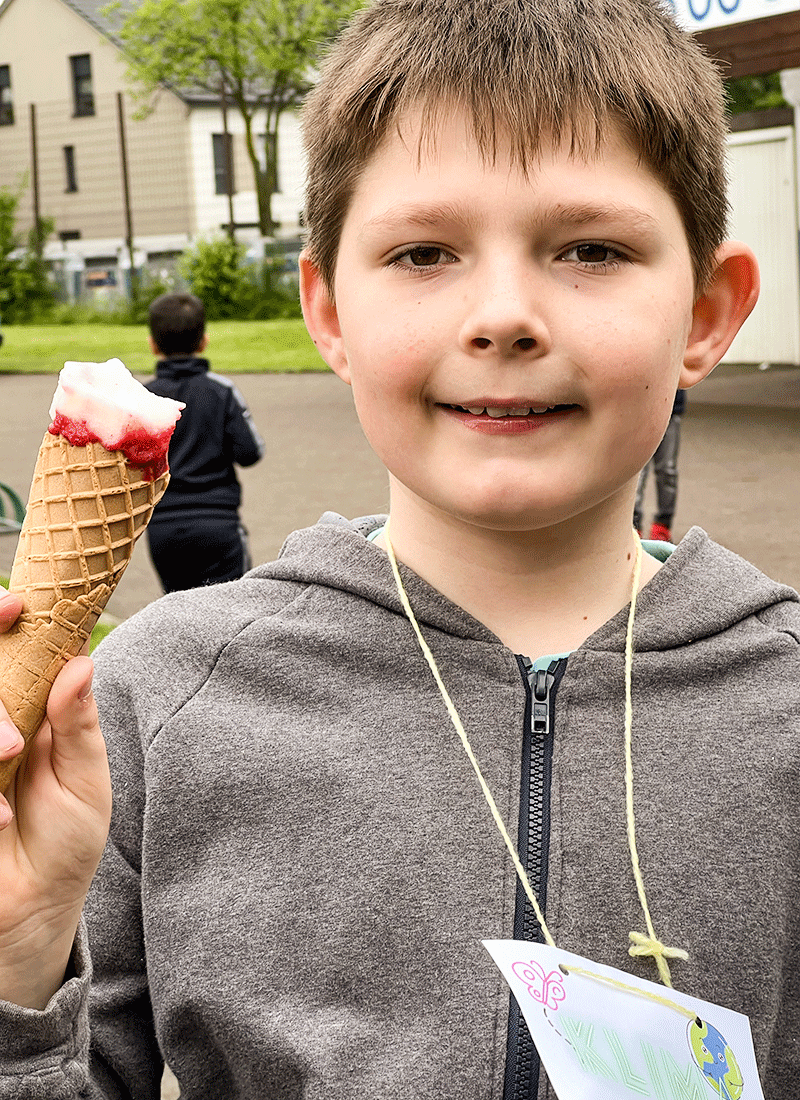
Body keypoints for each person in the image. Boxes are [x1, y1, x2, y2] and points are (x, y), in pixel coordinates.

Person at [0, 1, 796, 1098]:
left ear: (706, 311)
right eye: (423, 252)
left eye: (590, 249)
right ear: (328, 311)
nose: (503, 316)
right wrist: (18, 957)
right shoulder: (150, 702)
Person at [144, 292, 265, 592]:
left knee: (178, 615)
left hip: (164, 528)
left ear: (153, 345)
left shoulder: (143, 398)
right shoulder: (221, 391)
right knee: (233, 610)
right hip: (218, 523)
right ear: (203, 341)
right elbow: (250, 452)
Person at [633, 389, 687, 542]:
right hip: (639, 410)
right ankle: (633, 524)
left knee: (667, 470)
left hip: (671, 409)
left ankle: (663, 524)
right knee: (637, 470)